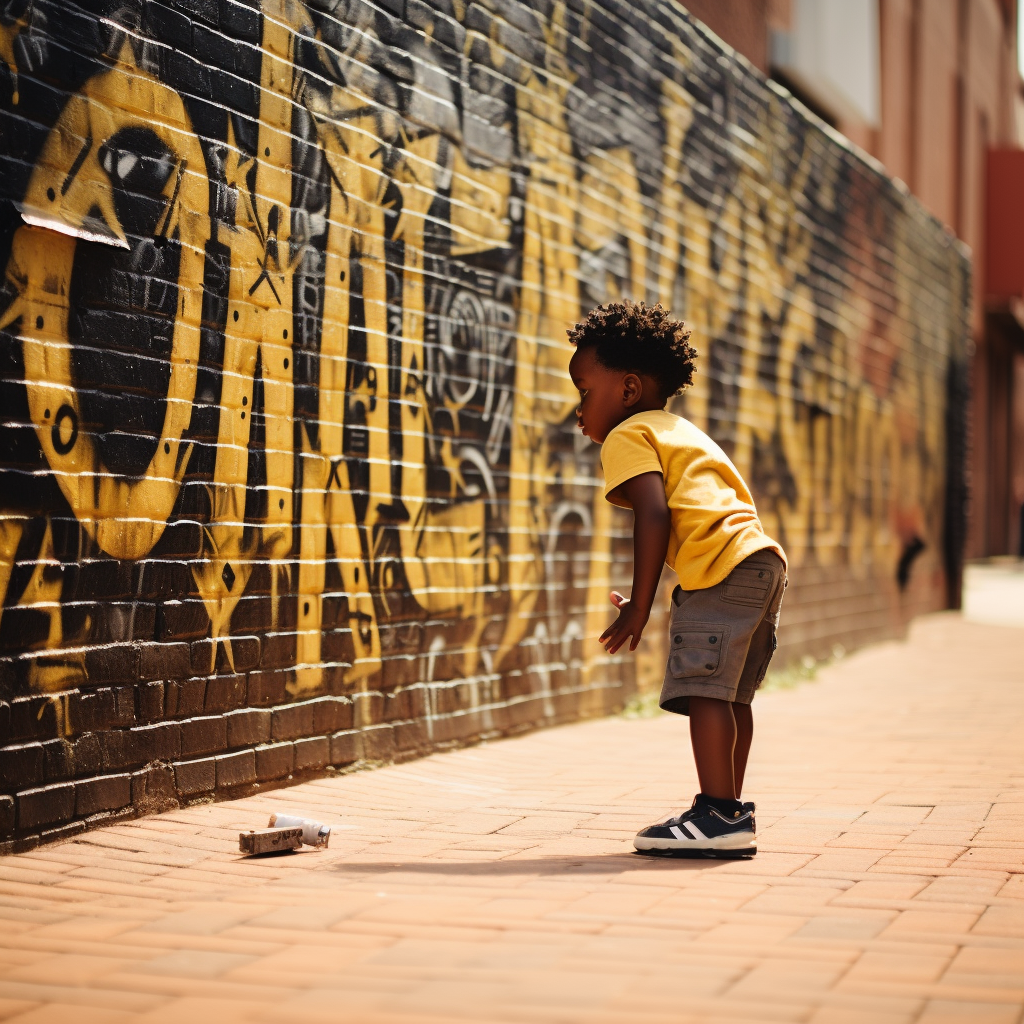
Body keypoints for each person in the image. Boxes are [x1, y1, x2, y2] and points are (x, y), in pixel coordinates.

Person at [567, 300, 787, 855]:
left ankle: (717, 816)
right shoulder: (678, 430)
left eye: (584, 390)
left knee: (703, 691)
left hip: (722, 568)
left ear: (628, 389)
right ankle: (728, 810)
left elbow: (655, 514)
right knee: (730, 695)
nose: (579, 408)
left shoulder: (628, 436)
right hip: (760, 560)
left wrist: (640, 605)